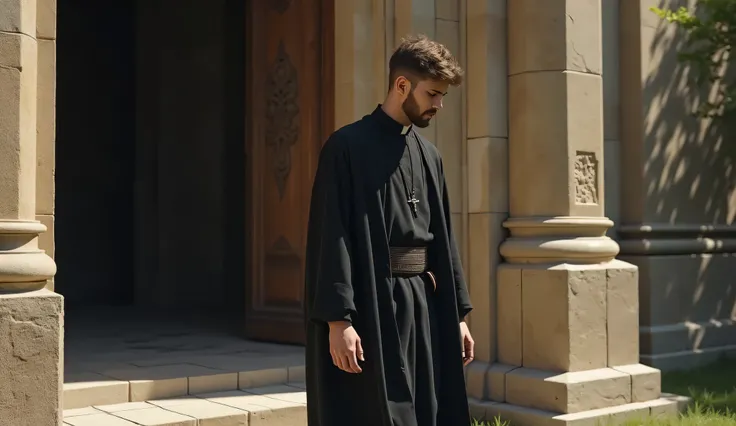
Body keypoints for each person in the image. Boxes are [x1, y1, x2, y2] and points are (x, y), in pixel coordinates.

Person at [304, 34, 474, 426]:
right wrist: (338, 320)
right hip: (370, 304)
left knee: (425, 408)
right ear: (402, 86)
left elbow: (443, 238)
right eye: (432, 94)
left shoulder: (429, 154)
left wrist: (458, 314)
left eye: (442, 96)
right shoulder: (345, 147)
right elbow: (332, 235)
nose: (439, 105)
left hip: (423, 305)